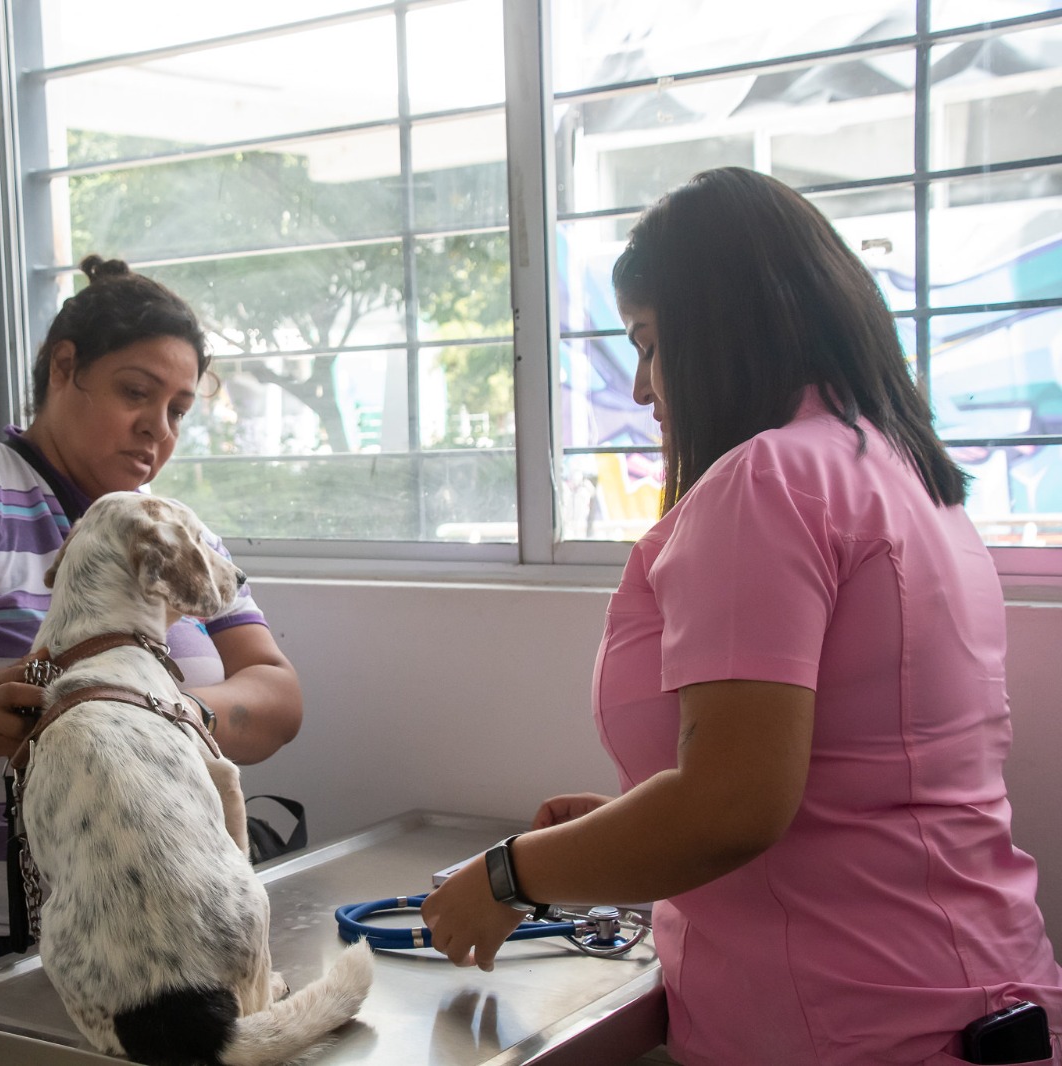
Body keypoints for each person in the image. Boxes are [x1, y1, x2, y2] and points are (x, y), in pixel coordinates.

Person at [420, 168, 1062, 1064]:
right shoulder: (901, 474)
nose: (643, 389)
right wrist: (621, 834)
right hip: (966, 993)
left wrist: (508, 875)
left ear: (716, 331)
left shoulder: (767, 480)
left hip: (852, 1023)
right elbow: (855, 785)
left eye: (648, 343)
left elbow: (727, 809)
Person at [0, 255, 304, 1066]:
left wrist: (154, 714)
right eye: (136, 392)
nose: (160, 428)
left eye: (180, 408)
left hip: (147, 953)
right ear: (64, 367)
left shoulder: (173, 532)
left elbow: (278, 696)